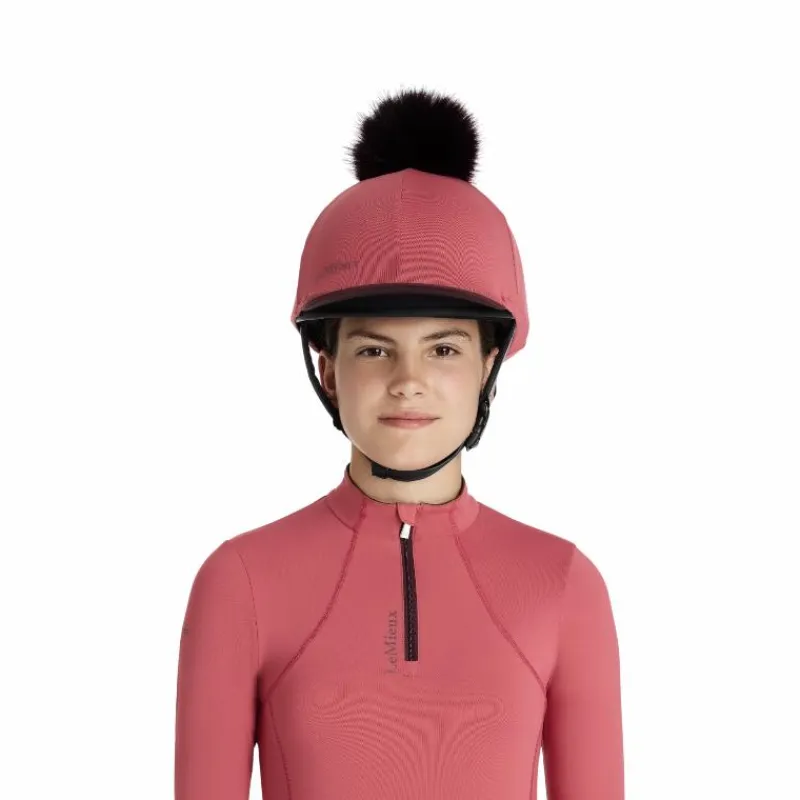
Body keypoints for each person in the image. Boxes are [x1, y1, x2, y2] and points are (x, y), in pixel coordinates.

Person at [174, 87, 625, 800]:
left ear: (488, 365)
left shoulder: (564, 586)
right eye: (374, 350)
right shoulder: (240, 583)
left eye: (443, 349)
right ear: (328, 369)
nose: (409, 381)